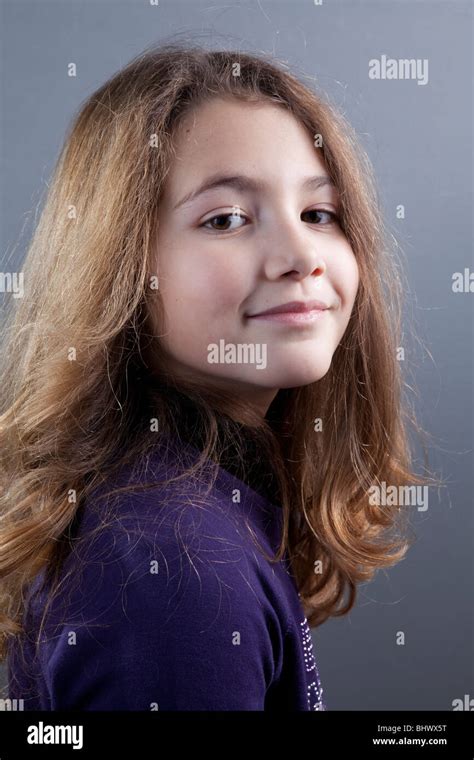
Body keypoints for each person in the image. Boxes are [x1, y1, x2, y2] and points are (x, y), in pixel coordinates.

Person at [0, 42, 427, 711]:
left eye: (320, 214)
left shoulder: (195, 509)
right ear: (121, 267)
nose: (300, 256)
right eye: (226, 218)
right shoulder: (174, 567)